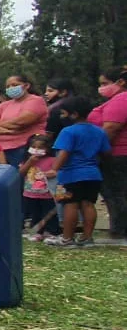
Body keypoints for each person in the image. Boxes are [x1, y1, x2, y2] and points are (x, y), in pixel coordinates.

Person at [46, 96, 111, 247]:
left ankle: (67, 238)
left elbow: (64, 153)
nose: (61, 117)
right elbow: (106, 153)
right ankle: (87, 238)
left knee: (71, 204)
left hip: (71, 174)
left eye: (63, 114)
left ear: (73, 114)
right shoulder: (99, 131)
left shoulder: (68, 131)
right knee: (88, 204)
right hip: (93, 174)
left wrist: (54, 169)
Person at [88, 67, 127, 242]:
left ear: (120, 82)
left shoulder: (121, 99)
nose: (102, 87)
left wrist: (94, 151)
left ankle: (119, 231)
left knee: (116, 194)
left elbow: (111, 128)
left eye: (105, 83)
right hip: (115, 153)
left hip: (117, 154)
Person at [0, 73, 47, 167]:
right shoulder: (4, 105)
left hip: (24, 148)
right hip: (1, 150)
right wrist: (8, 131)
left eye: (14, 85)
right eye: (8, 86)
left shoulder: (36, 101)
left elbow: (22, 121)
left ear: (26, 86)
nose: (11, 88)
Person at [17, 133, 61, 241]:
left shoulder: (52, 160)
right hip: (30, 193)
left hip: (47, 193)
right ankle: (37, 232)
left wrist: (45, 174)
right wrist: (29, 162)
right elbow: (21, 173)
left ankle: (51, 231)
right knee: (35, 213)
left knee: (49, 213)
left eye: (40, 148)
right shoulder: (26, 160)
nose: (36, 150)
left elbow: (56, 172)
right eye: (34, 147)